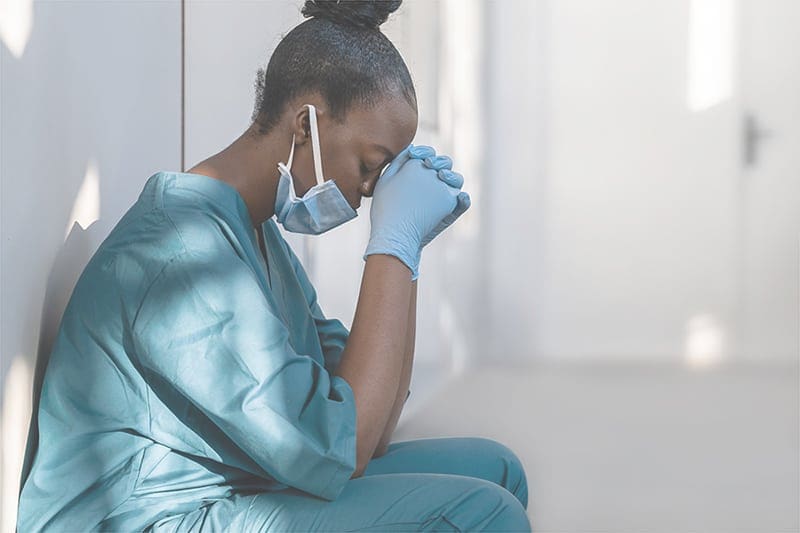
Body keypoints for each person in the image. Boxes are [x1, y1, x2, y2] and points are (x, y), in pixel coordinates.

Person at [17, 1, 531, 531]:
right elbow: (343, 446)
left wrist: (410, 250)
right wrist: (391, 243)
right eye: (371, 166)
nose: (371, 193)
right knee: (483, 513)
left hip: (234, 486)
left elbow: (373, 426)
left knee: (498, 470)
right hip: (151, 515)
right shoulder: (182, 252)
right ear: (306, 123)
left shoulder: (257, 235)